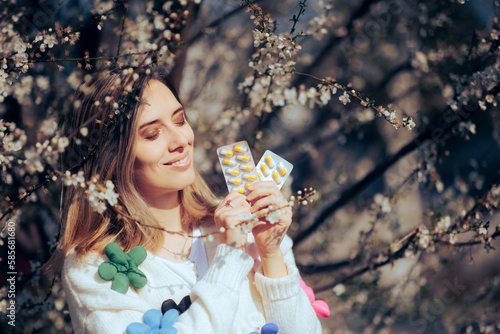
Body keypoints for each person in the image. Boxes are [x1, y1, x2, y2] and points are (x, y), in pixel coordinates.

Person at [46, 66, 322, 333]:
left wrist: (271, 254)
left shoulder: (245, 228)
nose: (181, 139)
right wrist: (230, 258)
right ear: (112, 158)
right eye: (152, 133)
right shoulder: (93, 268)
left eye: (179, 120)